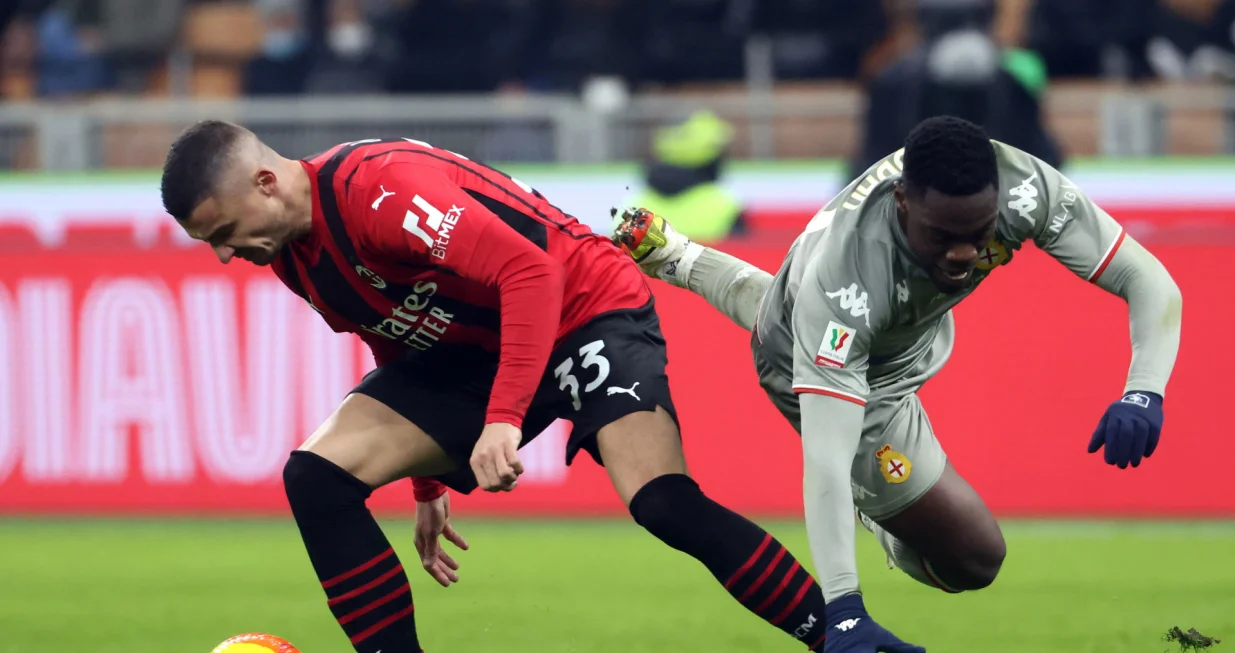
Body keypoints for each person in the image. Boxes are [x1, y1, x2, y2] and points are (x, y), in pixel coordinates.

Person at [158, 122, 856, 653]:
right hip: (471, 349)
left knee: (663, 502)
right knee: (316, 476)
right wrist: (427, 483)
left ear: (264, 183)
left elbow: (529, 273)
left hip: (585, 308)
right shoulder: (289, 253)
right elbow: (394, 335)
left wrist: (502, 417)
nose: (223, 254)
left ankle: (845, 638)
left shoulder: (381, 190)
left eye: (223, 232)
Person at [613, 115, 1182, 652]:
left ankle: (679, 257)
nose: (963, 254)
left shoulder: (1022, 187)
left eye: (977, 233)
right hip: (825, 365)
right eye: (942, 236)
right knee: (975, 559)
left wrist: (1144, 389)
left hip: (892, 332)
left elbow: (1148, 279)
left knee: (802, 309)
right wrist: (845, 608)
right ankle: (880, 516)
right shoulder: (847, 280)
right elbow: (827, 462)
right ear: (902, 202)